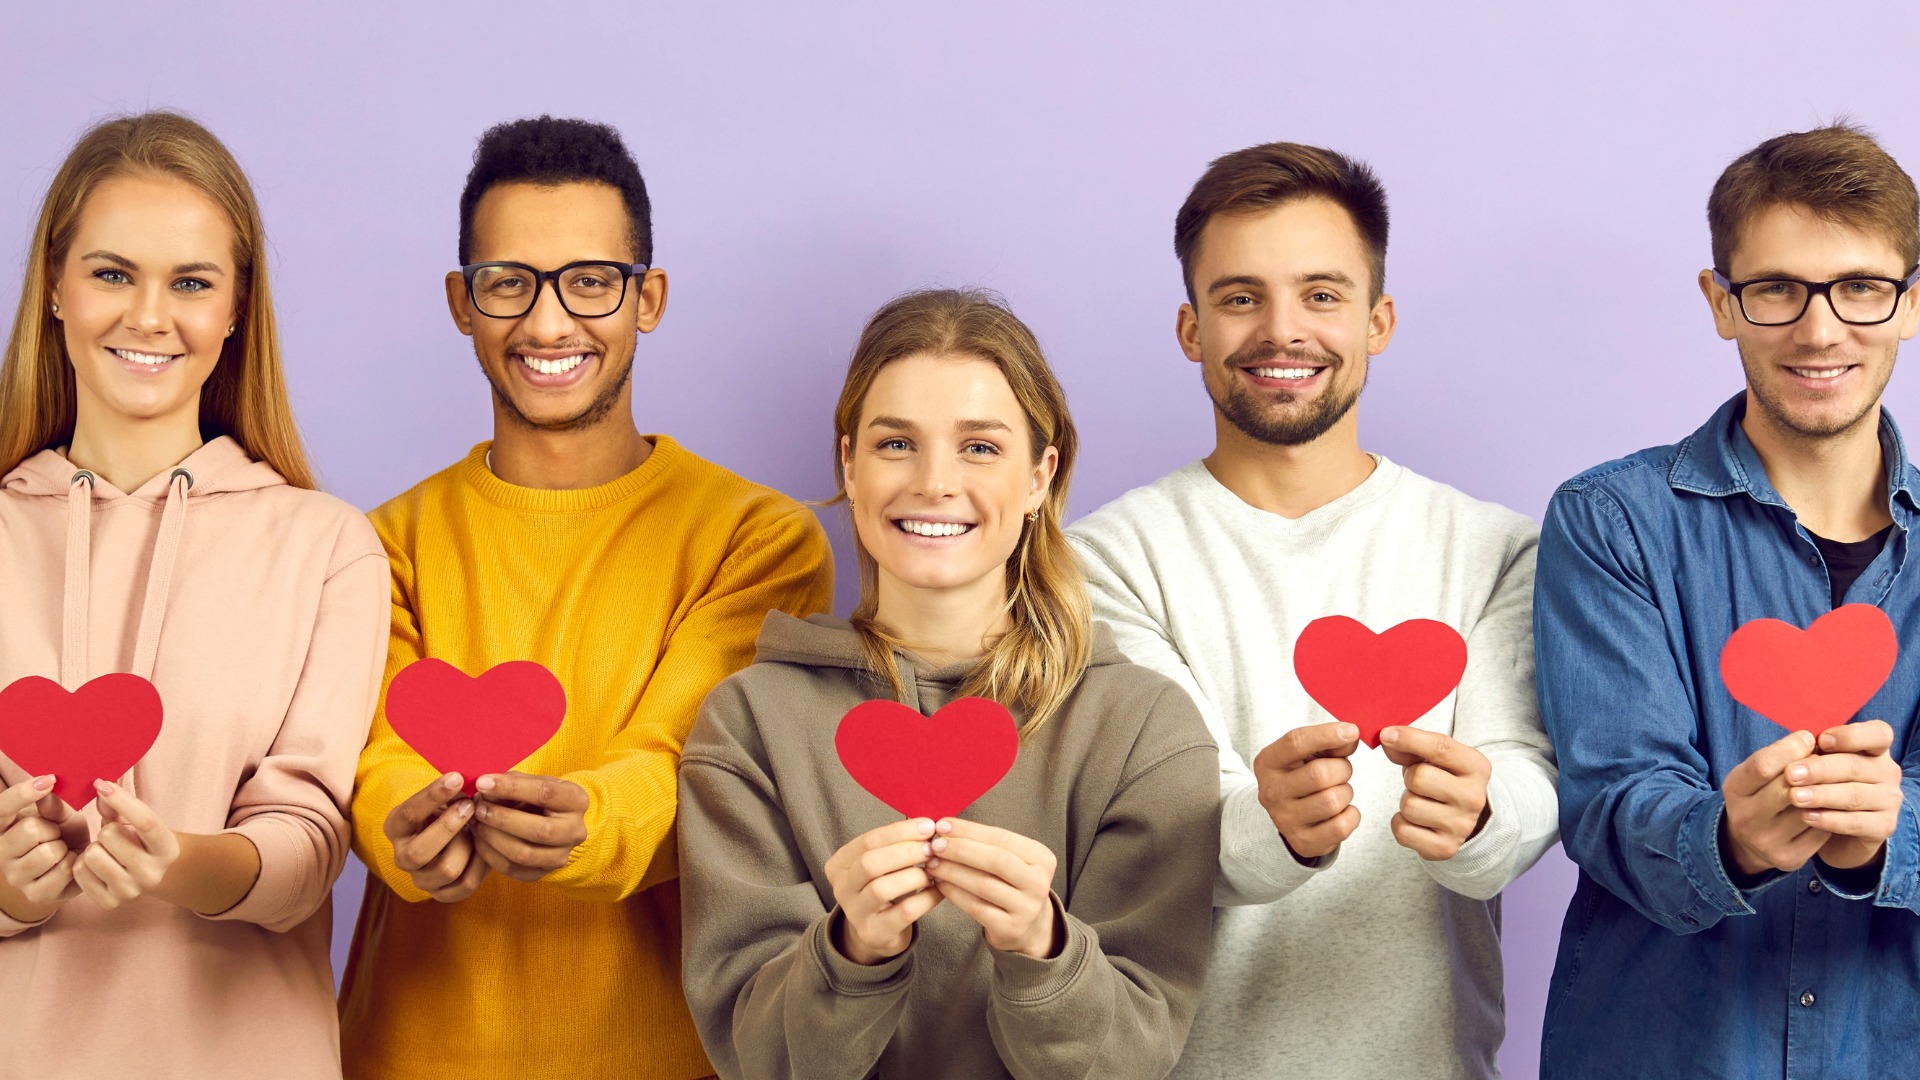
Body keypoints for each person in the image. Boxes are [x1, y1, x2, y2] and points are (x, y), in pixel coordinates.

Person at [337, 116, 833, 1079]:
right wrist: (407, 831)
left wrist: (594, 821)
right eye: (509, 282)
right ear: (462, 303)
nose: (549, 323)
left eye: (590, 282)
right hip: (410, 1051)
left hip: (667, 1053)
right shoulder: (376, 545)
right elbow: (375, 762)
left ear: (647, 299)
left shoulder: (758, 538)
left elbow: (689, 759)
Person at [1067, 142, 1559, 1078]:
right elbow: (1158, 836)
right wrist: (1275, 824)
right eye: (1240, 296)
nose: (1281, 331)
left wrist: (1480, 814)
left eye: (1322, 296)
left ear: (1379, 321)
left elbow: (1527, 788)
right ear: (1190, 327)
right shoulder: (1104, 561)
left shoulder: (1497, 550)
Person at [677, 288, 1220, 1079]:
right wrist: (850, 952)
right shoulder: (748, 725)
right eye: (896, 444)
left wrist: (1045, 947)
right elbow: (755, 1058)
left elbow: (1133, 1059)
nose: (934, 482)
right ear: (848, 466)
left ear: (1041, 476)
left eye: (980, 447)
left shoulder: (1143, 728)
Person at [0, 111, 387, 1077]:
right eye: (112, 273)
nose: (149, 315)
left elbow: (307, 851)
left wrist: (177, 863)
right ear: (54, 288)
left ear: (235, 310)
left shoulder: (328, 546)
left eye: (192, 283)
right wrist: (9, 888)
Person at [1536, 123, 1920, 1078]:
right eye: (1777, 288)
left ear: (1912, 303)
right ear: (1721, 304)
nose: (1820, 329)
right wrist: (1726, 840)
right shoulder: (1611, 519)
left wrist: (1891, 828)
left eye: (1862, 289)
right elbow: (1608, 797)